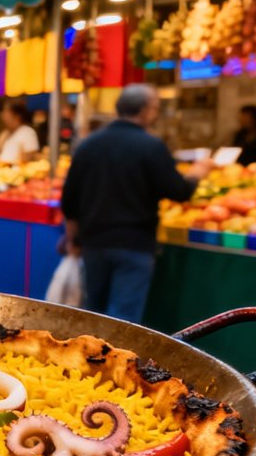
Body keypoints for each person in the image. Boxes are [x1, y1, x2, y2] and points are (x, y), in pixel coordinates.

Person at [61, 84, 213, 323]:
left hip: (94, 243)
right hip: (134, 246)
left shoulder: (88, 145)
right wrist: (197, 172)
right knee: (124, 320)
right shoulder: (151, 146)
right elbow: (179, 191)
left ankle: (87, 356)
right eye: (155, 108)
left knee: (92, 315)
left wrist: (72, 239)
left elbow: (69, 200)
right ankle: (116, 360)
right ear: (145, 111)